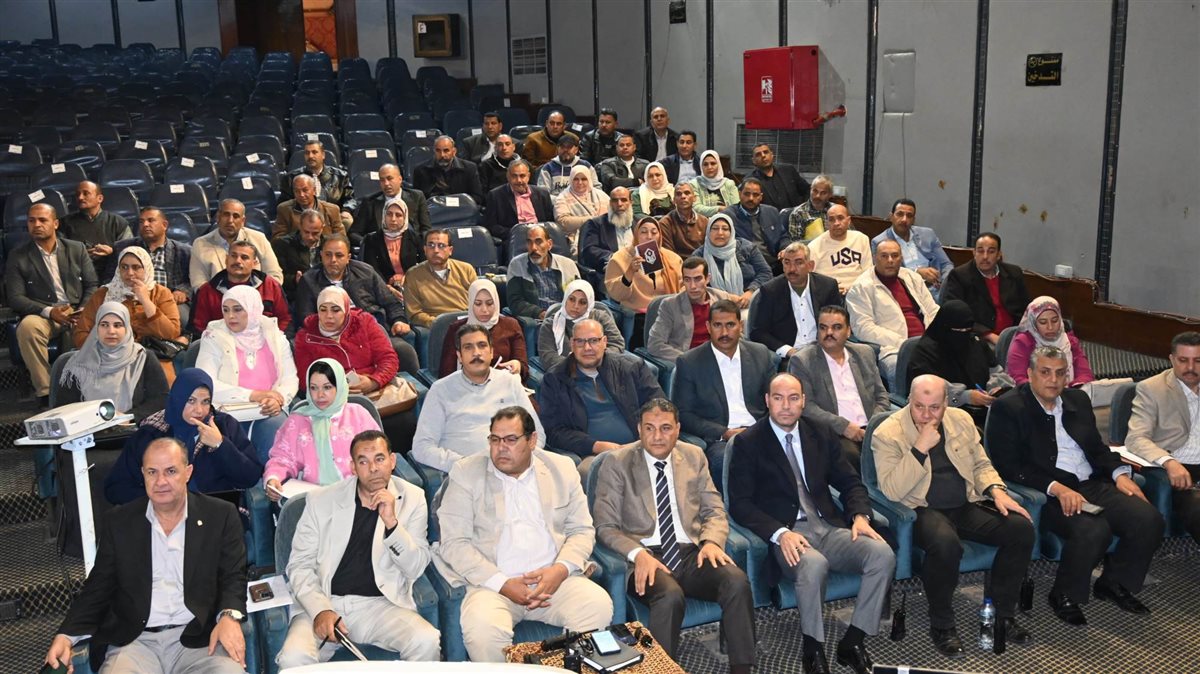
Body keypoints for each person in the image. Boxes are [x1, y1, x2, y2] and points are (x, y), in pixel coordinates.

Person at [727, 373, 894, 674]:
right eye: (778, 398)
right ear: (767, 401)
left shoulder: (820, 432)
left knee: (882, 554)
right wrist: (780, 533)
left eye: (793, 398)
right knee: (814, 564)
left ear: (803, 401)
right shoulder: (749, 442)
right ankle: (812, 648)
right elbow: (740, 504)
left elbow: (850, 482)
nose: (786, 406)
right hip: (788, 535)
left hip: (828, 527)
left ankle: (853, 640)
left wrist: (860, 516)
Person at [987, 346, 1165, 625]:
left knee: (1148, 519)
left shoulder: (1077, 400)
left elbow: (1097, 448)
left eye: (1060, 373)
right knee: (1093, 529)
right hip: (1047, 493)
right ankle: (1064, 594)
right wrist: (1056, 487)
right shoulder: (1009, 407)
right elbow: (1007, 465)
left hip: (1091, 483)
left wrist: (1119, 474)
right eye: (1045, 372)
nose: (1053, 380)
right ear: (1030, 374)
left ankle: (1114, 582)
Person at [44, 437, 249, 674]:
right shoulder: (119, 521)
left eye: (171, 471)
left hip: (199, 640)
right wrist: (66, 636)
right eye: (152, 472)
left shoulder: (220, 515)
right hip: (135, 642)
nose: (161, 481)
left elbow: (233, 576)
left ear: (188, 472)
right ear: (143, 474)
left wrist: (228, 616)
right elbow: (98, 587)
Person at [433, 406, 613, 662]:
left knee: (597, 606)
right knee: (482, 631)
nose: (500, 448)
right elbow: (454, 543)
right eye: (494, 439)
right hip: (492, 585)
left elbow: (582, 530)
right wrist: (502, 583)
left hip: (554, 581)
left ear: (532, 440)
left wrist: (559, 570)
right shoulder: (466, 473)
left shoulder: (561, 469)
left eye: (510, 440)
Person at [873, 374, 1035, 657]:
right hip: (921, 508)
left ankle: (1003, 615)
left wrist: (996, 490)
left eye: (934, 407)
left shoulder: (961, 420)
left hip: (965, 504)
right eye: (919, 406)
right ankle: (942, 624)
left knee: (1020, 529)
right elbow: (892, 490)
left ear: (946, 403)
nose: (926, 415)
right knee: (946, 544)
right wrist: (919, 448)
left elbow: (981, 464)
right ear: (909, 400)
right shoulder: (887, 433)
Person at [592, 399, 755, 672]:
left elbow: (714, 509)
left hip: (691, 552)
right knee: (669, 596)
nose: (657, 436)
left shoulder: (693, 455)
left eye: (666, 428)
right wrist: (638, 554)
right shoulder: (617, 462)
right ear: (639, 429)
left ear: (678, 429)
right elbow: (605, 526)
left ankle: (742, 668)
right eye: (650, 428)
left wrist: (712, 542)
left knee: (736, 581)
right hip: (646, 556)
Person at [276, 431, 440, 667]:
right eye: (363, 461)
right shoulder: (320, 500)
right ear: (353, 467)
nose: (373, 468)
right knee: (293, 658)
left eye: (380, 459)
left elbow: (415, 567)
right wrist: (321, 610)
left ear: (392, 461)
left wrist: (392, 524)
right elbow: (299, 565)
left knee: (426, 641)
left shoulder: (413, 498)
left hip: (380, 606)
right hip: (325, 600)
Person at [105, 368, 261, 505]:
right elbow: (116, 488)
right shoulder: (151, 433)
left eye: (205, 402)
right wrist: (161, 501)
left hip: (216, 515)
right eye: (191, 401)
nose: (199, 410)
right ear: (177, 399)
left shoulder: (223, 425)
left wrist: (220, 444)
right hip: (160, 514)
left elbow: (250, 478)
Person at [292, 287, 416, 451]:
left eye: (335, 310)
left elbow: (388, 359)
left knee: (404, 422)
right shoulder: (306, 336)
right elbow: (304, 379)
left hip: (376, 394)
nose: (329, 316)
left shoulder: (364, 322)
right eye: (323, 310)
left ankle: (392, 462)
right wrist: (335, 388)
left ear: (346, 309)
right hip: (334, 401)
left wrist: (373, 381)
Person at [538, 319, 665, 477]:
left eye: (594, 340)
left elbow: (659, 406)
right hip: (594, 455)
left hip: (641, 445)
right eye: (580, 341)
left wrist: (646, 436)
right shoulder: (555, 379)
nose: (587, 348)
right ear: (571, 344)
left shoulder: (630, 367)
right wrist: (596, 446)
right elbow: (554, 431)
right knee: (590, 472)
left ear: (604, 342)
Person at [410, 325, 545, 473]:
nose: (476, 353)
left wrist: (519, 461)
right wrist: (463, 464)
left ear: (491, 352)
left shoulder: (510, 382)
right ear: (459, 356)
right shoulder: (441, 390)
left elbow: (537, 434)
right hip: (468, 474)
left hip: (514, 470)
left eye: (482, 345)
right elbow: (422, 447)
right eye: (468, 347)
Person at [673, 300, 775, 488]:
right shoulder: (689, 362)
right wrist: (724, 433)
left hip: (761, 430)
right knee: (729, 462)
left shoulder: (760, 354)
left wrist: (766, 428)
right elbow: (683, 414)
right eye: (717, 325)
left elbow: (774, 400)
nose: (724, 332)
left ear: (740, 326)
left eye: (730, 325)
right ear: (708, 327)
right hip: (721, 440)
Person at [6, 203, 98, 404]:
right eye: (32, 221)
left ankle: (93, 389)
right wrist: (49, 311)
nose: (37, 224)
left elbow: (92, 284)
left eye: (42, 220)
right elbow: (15, 297)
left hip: (76, 309)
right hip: (43, 313)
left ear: (55, 224)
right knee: (27, 327)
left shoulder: (76, 248)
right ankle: (48, 393)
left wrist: (83, 309)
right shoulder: (18, 255)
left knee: (106, 323)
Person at [196, 285, 298, 460]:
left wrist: (278, 399)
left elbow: (290, 378)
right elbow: (206, 384)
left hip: (268, 409)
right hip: (226, 410)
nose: (230, 316)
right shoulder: (213, 336)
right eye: (225, 310)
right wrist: (253, 395)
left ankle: (272, 476)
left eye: (237, 309)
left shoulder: (276, 336)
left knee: (275, 430)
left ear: (253, 309)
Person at [294, 234, 417, 374]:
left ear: (348, 257)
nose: (333, 260)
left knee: (404, 352)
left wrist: (399, 320)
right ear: (321, 255)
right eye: (328, 255)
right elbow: (306, 318)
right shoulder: (308, 281)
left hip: (373, 331)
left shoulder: (366, 272)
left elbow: (390, 302)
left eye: (339, 255)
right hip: (333, 339)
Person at [787, 305, 890, 470]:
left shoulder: (864, 353)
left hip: (871, 426)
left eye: (836, 327)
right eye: (823, 328)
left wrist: (873, 425)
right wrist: (844, 426)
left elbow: (881, 395)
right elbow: (806, 407)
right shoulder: (803, 361)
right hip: (835, 432)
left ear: (848, 331)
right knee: (851, 458)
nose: (828, 333)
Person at [264, 358, 383, 498]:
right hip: (314, 498)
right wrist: (273, 478)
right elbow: (282, 458)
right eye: (313, 388)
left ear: (339, 386)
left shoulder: (358, 414)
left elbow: (378, 455)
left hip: (360, 493)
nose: (320, 395)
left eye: (327, 387)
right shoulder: (297, 421)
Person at [1125, 331, 1200, 543]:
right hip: (1181, 471)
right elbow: (1136, 438)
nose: (1191, 367)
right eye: (1183, 360)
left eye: (1198, 361)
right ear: (1171, 359)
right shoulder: (1152, 389)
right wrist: (1169, 462)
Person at [845, 239, 939, 386]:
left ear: (901, 258)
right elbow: (863, 328)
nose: (890, 260)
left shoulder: (911, 277)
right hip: (892, 349)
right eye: (884, 256)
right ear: (875, 258)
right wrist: (905, 343)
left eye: (895, 256)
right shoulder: (861, 287)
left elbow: (932, 310)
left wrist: (933, 337)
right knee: (905, 370)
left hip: (927, 342)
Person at [907, 300, 1013, 427]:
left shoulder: (975, 342)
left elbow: (996, 370)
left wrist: (995, 387)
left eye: (967, 329)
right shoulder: (925, 352)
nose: (964, 334)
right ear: (944, 327)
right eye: (958, 330)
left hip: (985, 410)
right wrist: (965, 396)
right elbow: (925, 390)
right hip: (943, 417)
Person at [57, 301, 168, 420]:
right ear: (96, 328)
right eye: (104, 325)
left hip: (133, 427)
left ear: (127, 328)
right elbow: (64, 408)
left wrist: (128, 417)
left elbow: (161, 399)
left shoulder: (143, 357)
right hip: (88, 429)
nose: (111, 331)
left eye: (117, 325)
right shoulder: (79, 361)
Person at [747, 242, 842, 360]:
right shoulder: (771, 290)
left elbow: (838, 322)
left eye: (798, 262)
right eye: (787, 263)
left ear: (810, 266)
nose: (791, 269)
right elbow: (758, 332)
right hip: (790, 354)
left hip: (823, 349)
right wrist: (788, 351)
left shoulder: (827, 286)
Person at [74, 245, 182, 349]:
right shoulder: (104, 293)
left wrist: (146, 301)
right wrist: (107, 349)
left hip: (151, 354)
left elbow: (171, 334)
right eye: (124, 267)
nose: (130, 273)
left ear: (146, 268)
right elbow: (81, 333)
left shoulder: (161, 293)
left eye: (136, 267)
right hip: (108, 354)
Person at [941, 232, 1030, 345]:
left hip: (1015, 334)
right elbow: (955, 315)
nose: (985, 256)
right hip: (979, 338)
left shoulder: (1014, 273)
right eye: (980, 251)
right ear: (974, 253)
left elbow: (1027, 308)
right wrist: (989, 335)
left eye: (991, 251)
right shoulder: (960, 276)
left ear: (999, 254)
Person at [112, 207, 193, 330]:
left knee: (182, 318)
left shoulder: (184, 251)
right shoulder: (122, 247)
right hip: (130, 297)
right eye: (141, 221)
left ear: (164, 225)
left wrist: (183, 291)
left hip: (169, 300)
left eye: (150, 220)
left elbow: (193, 280)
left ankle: (178, 341)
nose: (145, 224)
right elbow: (109, 277)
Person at [191, 240, 291, 335]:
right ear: (226, 259)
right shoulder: (208, 290)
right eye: (233, 256)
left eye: (244, 257)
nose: (238, 261)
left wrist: (274, 339)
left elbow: (285, 319)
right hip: (220, 342)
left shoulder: (270, 285)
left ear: (254, 263)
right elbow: (198, 326)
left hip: (264, 341)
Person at [645, 257, 732, 364]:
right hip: (687, 360)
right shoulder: (670, 305)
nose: (692, 286)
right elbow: (654, 344)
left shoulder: (722, 298)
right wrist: (689, 359)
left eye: (697, 279)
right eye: (687, 280)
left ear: (707, 279)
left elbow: (735, 336)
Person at [439, 278, 529, 380]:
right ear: (470, 303)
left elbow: (524, 368)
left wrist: (518, 365)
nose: (484, 310)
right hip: (467, 385)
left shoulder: (511, 325)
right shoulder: (457, 329)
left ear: (496, 302)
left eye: (490, 303)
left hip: (504, 384)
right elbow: (446, 374)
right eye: (478, 304)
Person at [189, 199, 284, 289]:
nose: (230, 220)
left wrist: (257, 295)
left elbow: (275, 275)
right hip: (217, 298)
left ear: (243, 221)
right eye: (226, 215)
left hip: (257, 296)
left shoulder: (259, 239)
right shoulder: (200, 244)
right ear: (218, 217)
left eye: (236, 216)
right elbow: (199, 283)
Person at [538, 280, 626, 372]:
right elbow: (548, 356)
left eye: (582, 302)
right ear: (565, 299)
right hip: (566, 373)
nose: (576, 306)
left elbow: (617, 344)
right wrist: (576, 366)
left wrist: (596, 361)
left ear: (589, 304)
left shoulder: (601, 318)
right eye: (571, 299)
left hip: (601, 369)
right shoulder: (550, 324)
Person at [1006, 296, 1095, 387]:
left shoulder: (1070, 341)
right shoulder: (1022, 343)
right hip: (1033, 393)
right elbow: (1017, 378)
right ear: (1033, 323)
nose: (1050, 327)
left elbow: (1085, 374)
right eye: (1043, 322)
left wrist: (1073, 389)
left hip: (1069, 391)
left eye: (1055, 320)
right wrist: (1047, 390)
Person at [870, 199, 953, 295]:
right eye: (900, 214)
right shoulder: (880, 242)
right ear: (891, 216)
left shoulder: (928, 234)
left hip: (935, 287)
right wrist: (916, 273)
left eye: (909, 216)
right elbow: (885, 272)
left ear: (913, 220)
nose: (904, 219)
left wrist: (944, 285)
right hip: (906, 290)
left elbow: (946, 264)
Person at [604, 216, 683, 316]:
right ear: (636, 234)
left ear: (660, 236)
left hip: (668, 311)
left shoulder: (672, 258)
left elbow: (683, 288)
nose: (649, 237)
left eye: (654, 233)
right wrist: (630, 271)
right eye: (643, 232)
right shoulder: (620, 258)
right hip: (636, 314)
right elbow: (616, 295)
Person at [403, 229, 478, 329]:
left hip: (467, 324)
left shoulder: (466, 270)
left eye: (441, 245)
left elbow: (478, 302)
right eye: (431, 245)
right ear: (425, 249)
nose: (436, 250)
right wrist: (439, 323)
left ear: (450, 250)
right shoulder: (413, 275)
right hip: (436, 326)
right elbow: (414, 314)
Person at [694, 213, 772, 307]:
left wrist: (751, 291)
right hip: (713, 305)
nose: (720, 233)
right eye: (715, 228)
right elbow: (694, 283)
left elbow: (765, 272)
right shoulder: (698, 256)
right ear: (708, 231)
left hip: (748, 303)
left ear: (732, 232)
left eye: (725, 229)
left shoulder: (746, 248)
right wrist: (726, 297)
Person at [506, 223, 581, 320]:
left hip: (566, 316)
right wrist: (539, 313)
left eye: (538, 242)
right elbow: (515, 302)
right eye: (529, 242)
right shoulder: (517, 265)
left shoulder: (568, 265)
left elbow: (580, 295)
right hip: (537, 319)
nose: (533, 248)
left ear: (549, 244)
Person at [358, 196, 424, 299]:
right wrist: (387, 288)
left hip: (413, 284)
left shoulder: (415, 238)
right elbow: (372, 270)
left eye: (398, 215)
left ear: (405, 217)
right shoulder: (372, 240)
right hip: (383, 288)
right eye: (389, 214)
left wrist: (408, 279)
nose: (393, 219)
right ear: (383, 215)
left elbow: (423, 265)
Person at [61, 180, 132, 273]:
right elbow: (58, 252)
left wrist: (112, 252)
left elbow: (129, 252)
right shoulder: (64, 223)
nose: (80, 197)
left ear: (100, 198)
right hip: (76, 273)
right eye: (77, 194)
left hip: (111, 273)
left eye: (86, 193)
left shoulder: (118, 222)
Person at [350, 164, 431, 243]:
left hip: (412, 245)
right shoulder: (370, 202)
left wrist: (421, 243)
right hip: (381, 247)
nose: (386, 183)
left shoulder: (417, 197)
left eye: (390, 178)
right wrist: (369, 244)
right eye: (382, 180)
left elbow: (426, 229)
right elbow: (354, 233)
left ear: (400, 179)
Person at [483, 158, 555, 243]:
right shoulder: (495, 195)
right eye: (514, 176)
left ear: (528, 176)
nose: (519, 180)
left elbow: (550, 222)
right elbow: (491, 226)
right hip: (515, 240)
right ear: (508, 177)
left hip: (541, 238)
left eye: (522, 176)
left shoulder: (542, 194)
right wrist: (516, 233)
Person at [721, 178, 787, 268]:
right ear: (739, 194)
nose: (751, 198)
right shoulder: (728, 216)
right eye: (747, 194)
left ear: (761, 197)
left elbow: (783, 236)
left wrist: (784, 249)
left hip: (775, 262)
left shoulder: (771, 211)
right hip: (747, 266)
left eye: (755, 195)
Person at [808, 204, 873, 294]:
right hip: (829, 293)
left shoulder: (861, 239)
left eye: (840, 218)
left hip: (858, 292)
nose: (836, 223)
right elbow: (809, 278)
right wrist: (829, 289)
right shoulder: (814, 246)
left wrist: (855, 289)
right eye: (831, 220)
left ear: (848, 221)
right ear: (826, 223)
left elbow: (868, 273)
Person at [272, 208, 327, 304]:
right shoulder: (282, 244)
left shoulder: (328, 245)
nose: (310, 237)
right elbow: (276, 276)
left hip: (325, 292)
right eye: (306, 232)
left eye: (315, 233)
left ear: (322, 228)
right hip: (295, 295)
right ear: (300, 226)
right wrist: (295, 280)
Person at [413, 134, 483, 204]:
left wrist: (454, 203)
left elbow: (477, 197)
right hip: (434, 209)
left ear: (454, 151)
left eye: (446, 150)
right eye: (438, 151)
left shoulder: (470, 168)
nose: (442, 155)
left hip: (462, 209)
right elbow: (417, 200)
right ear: (434, 151)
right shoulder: (421, 171)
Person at [285, 138, 352, 209]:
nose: (310, 156)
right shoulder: (291, 178)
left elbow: (350, 199)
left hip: (332, 215)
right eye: (307, 153)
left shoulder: (341, 176)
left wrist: (346, 210)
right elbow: (284, 204)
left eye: (314, 152)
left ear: (323, 155)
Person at [579, 186, 634, 271]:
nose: (619, 204)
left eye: (624, 200)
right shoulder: (596, 224)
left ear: (631, 202)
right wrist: (614, 257)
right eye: (615, 200)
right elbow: (589, 250)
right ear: (610, 203)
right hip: (611, 271)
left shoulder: (639, 223)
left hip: (638, 270)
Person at [274, 173, 344, 240]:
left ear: (314, 190)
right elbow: (277, 239)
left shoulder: (332, 210)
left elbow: (341, 238)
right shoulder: (284, 209)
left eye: (305, 190)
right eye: (297, 191)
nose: (301, 194)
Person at [553, 164, 610, 246]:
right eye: (576, 179)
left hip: (605, 233)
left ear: (589, 179)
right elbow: (563, 222)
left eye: (584, 179)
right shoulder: (562, 197)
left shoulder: (601, 195)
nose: (580, 183)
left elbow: (613, 213)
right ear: (571, 180)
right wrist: (592, 220)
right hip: (577, 237)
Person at [747, 143, 809, 210]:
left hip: (794, 214)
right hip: (769, 216)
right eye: (758, 154)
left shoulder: (788, 170)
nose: (763, 155)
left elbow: (807, 190)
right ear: (753, 160)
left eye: (766, 152)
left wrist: (804, 209)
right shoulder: (750, 180)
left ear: (772, 155)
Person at [536, 134, 598, 198]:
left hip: (583, 201)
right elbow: (543, 194)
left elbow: (596, 188)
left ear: (576, 150)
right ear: (557, 149)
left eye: (569, 147)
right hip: (556, 202)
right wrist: (561, 200)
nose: (565, 150)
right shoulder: (548, 168)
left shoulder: (586, 166)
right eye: (562, 147)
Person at [657, 182, 708, 255]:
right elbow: (669, 255)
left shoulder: (704, 221)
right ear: (674, 200)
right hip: (677, 261)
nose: (683, 196)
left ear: (694, 198)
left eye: (687, 193)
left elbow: (708, 249)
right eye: (678, 194)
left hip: (700, 260)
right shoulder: (665, 223)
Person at [690, 149, 739, 217]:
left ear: (718, 164)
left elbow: (736, 207)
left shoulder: (729, 184)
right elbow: (696, 208)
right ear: (701, 166)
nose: (709, 167)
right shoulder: (694, 184)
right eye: (705, 164)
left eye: (713, 163)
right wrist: (718, 209)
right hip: (704, 221)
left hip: (727, 220)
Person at [786, 174, 833, 243]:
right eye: (815, 191)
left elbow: (848, 235)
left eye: (823, 193)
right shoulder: (798, 213)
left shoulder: (836, 210)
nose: (817, 196)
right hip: (809, 249)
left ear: (830, 195)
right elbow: (796, 244)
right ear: (810, 190)